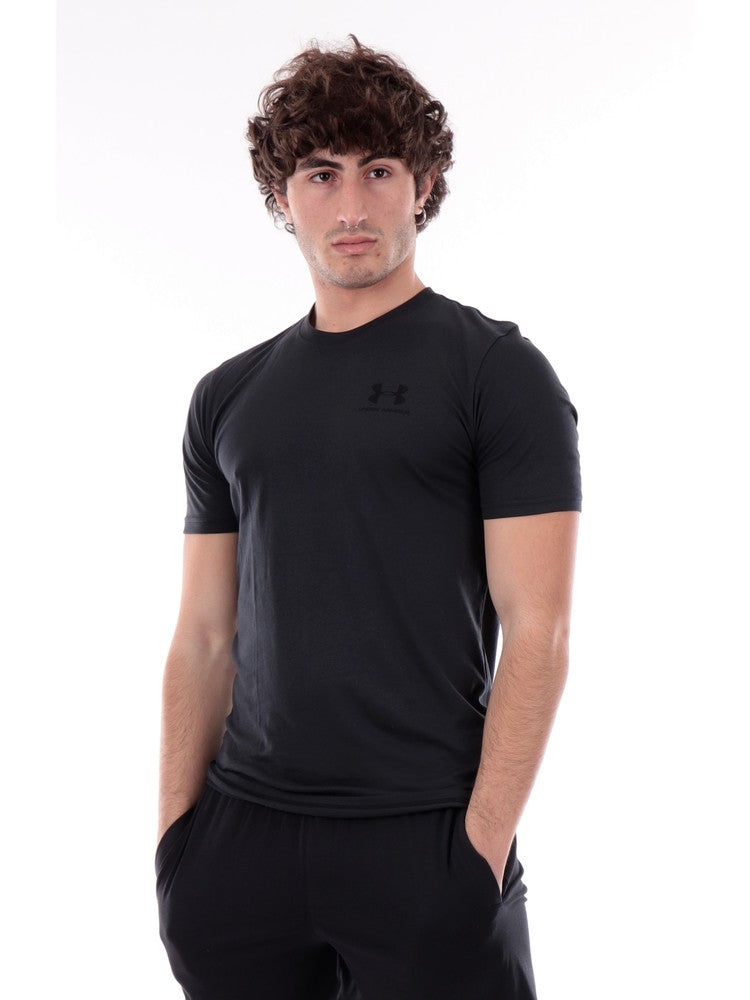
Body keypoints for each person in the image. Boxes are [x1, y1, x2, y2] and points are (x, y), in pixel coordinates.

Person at [155, 34, 582, 1000]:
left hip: (424, 837)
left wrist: (480, 852)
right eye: (321, 173)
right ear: (283, 196)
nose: (351, 207)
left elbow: (541, 630)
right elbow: (203, 635)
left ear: (423, 186)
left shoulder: (498, 374)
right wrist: (178, 844)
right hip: (239, 848)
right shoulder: (227, 396)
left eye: (378, 171)